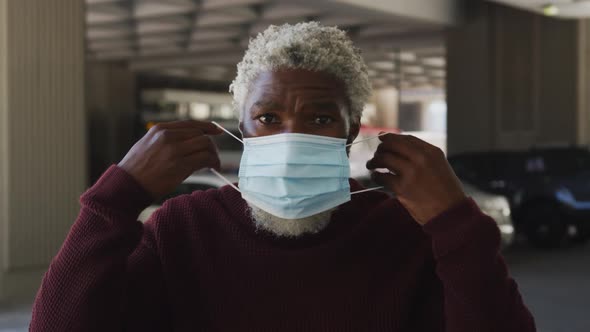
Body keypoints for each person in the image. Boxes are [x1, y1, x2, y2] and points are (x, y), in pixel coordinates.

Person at [30, 22, 536, 331]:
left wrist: (454, 223)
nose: (290, 139)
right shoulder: (183, 230)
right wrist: (115, 201)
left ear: (350, 130)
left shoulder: (401, 234)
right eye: (268, 118)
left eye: (319, 118)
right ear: (242, 128)